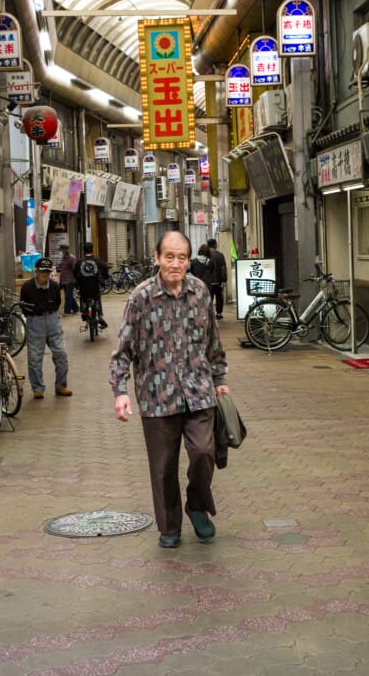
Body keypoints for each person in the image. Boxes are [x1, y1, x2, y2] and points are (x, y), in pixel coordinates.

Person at [110, 231, 229, 549]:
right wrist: (120, 391)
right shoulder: (141, 297)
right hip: (156, 396)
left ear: (188, 260)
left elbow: (213, 341)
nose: (175, 263)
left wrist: (220, 379)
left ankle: (197, 506)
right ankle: (170, 525)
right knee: (163, 467)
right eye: (169, 257)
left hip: (199, 390)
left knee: (204, 453)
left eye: (182, 257)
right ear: (157, 258)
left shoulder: (201, 291)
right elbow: (122, 348)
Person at [19, 258, 71, 399]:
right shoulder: (27, 287)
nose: (45, 275)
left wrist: (53, 315)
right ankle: (38, 388)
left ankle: (61, 385)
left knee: (61, 353)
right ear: (36, 271)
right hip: (35, 322)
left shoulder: (54, 286)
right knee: (35, 357)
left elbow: (58, 302)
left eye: (47, 272)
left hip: (53, 320)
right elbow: (23, 306)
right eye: (42, 272)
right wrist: (33, 317)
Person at [74, 242, 110, 327]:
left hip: (83, 289)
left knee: (82, 298)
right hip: (95, 289)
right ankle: (100, 315)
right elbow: (105, 269)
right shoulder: (98, 261)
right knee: (97, 298)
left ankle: (84, 313)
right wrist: (105, 278)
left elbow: (74, 273)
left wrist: (78, 282)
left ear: (83, 250)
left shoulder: (79, 262)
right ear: (92, 249)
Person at [206, 238, 227, 320]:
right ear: (215, 245)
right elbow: (223, 268)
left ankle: (209, 314)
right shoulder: (220, 255)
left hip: (208, 281)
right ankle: (218, 313)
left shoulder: (206, 255)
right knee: (219, 297)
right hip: (218, 280)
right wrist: (224, 280)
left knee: (209, 298)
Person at [57, 244, 79, 315]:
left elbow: (75, 269)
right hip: (63, 280)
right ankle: (76, 308)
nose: (61, 251)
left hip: (69, 280)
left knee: (68, 296)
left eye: (61, 250)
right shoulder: (63, 258)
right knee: (68, 295)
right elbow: (61, 267)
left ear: (65, 250)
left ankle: (67, 311)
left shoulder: (71, 259)